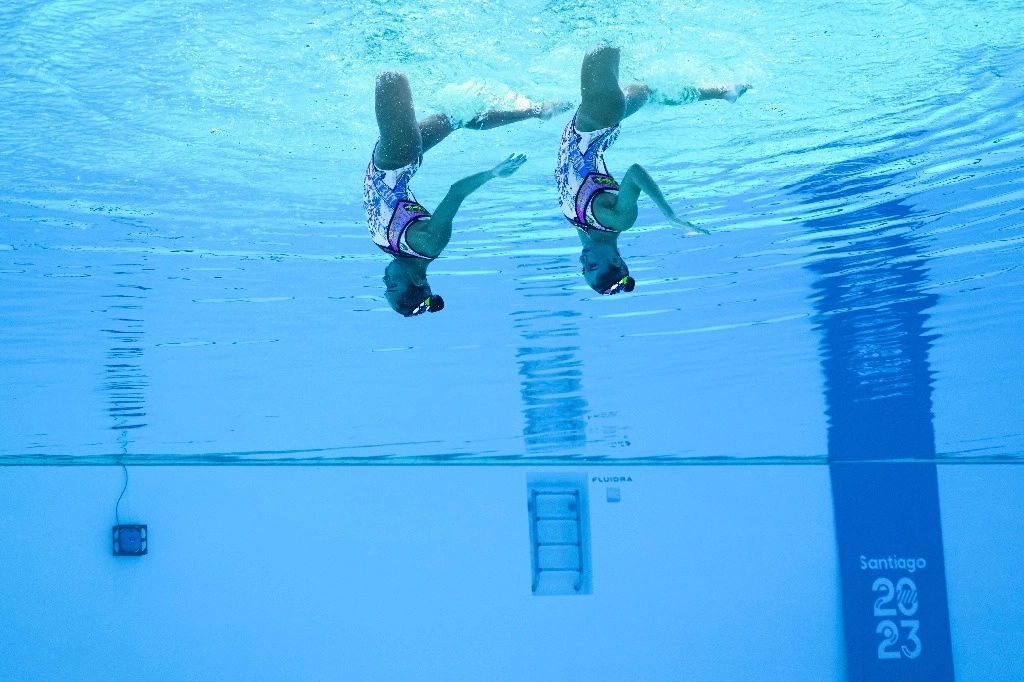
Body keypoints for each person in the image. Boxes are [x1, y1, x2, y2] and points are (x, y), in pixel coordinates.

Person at [365, 71, 571, 316]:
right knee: (390, 75)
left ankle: (538, 111)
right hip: (397, 155)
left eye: (385, 287)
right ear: (419, 282)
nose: (385, 280)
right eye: (393, 286)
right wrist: (493, 173)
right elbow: (456, 192)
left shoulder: (399, 251)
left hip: (399, 159)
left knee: (457, 117)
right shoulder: (429, 243)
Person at [556, 46, 750, 295]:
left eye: (583, 269)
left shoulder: (589, 235)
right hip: (597, 118)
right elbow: (635, 172)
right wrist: (669, 215)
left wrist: (613, 281)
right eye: (592, 266)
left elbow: (597, 252)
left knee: (649, 92)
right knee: (602, 36)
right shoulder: (617, 220)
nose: (583, 262)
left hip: (594, 121)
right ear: (616, 260)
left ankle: (723, 93)